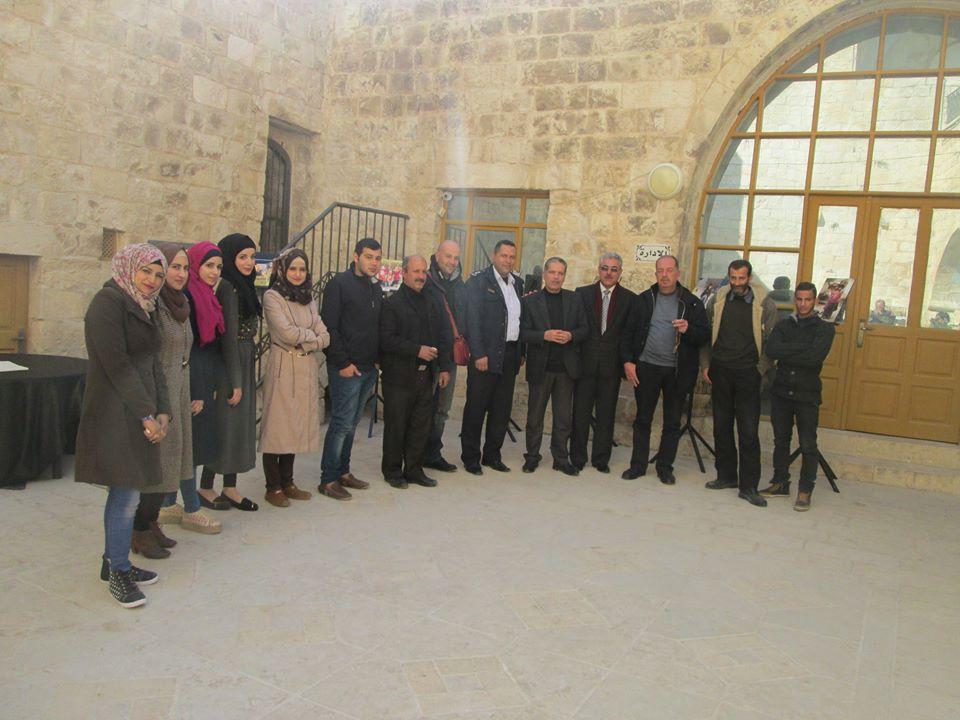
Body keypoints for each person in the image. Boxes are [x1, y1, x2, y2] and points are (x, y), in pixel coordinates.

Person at [75, 243, 167, 607]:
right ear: (129, 267)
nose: (152, 280)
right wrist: (146, 414)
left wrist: (163, 411)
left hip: (139, 409)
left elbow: (155, 363)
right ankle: (118, 571)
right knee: (126, 495)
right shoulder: (107, 303)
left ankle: (113, 562)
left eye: (158, 275)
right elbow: (117, 366)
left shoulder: (146, 306)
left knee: (128, 491)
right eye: (146, 271)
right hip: (116, 411)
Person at [620, 255, 709, 484]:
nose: (665, 275)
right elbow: (628, 333)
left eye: (669, 270)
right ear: (656, 274)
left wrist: (689, 329)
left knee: (672, 422)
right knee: (642, 419)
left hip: (677, 371)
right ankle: (638, 465)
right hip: (647, 367)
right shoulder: (644, 299)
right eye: (660, 270)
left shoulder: (691, 303)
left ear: (678, 273)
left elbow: (703, 336)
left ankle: (665, 467)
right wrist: (628, 362)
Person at [155, 243, 222, 535]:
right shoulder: (155, 305)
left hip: (182, 384)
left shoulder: (181, 301)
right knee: (172, 451)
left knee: (182, 449)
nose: (181, 273)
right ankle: (185, 508)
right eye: (174, 267)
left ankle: (173, 505)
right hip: (162, 388)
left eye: (184, 267)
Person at [701, 259, 779, 507]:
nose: (737, 283)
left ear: (749, 278)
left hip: (748, 374)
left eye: (741, 278)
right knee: (721, 428)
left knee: (748, 432)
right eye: (733, 278)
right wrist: (706, 364)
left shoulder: (765, 304)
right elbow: (706, 335)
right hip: (721, 372)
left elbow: (773, 344)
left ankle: (749, 486)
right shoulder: (718, 299)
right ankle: (726, 476)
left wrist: (759, 371)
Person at [259, 248, 330, 507]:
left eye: (302, 269)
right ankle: (273, 486)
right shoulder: (273, 296)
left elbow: (326, 335)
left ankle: (288, 482)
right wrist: (312, 338)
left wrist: (307, 340)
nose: (298, 274)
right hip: (283, 366)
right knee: (277, 426)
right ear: (283, 270)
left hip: (304, 366)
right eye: (293, 269)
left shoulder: (308, 299)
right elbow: (286, 334)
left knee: (295, 425)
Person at [198, 233, 262, 512]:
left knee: (236, 427)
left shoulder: (243, 285)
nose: (248, 262)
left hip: (242, 360)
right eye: (242, 257)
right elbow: (228, 337)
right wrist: (235, 381)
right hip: (230, 364)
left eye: (252, 256)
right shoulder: (229, 287)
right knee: (225, 426)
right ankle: (206, 486)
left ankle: (230, 486)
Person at [760, 282, 836, 511]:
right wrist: (802, 347)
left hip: (807, 393)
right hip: (782, 390)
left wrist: (789, 350)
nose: (803, 304)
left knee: (807, 443)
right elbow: (772, 350)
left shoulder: (824, 328)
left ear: (815, 301)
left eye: (807, 300)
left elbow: (814, 359)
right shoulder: (784, 324)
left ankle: (805, 489)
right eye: (800, 299)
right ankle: (780, 482)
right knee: (781, 440)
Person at [379, 255, 453, 488]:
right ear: (404, 273)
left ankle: (414, 470)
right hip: (399, 377)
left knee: (420, 426)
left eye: (423, 272)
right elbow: (386, 340)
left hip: (426, 375)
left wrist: (444, 367)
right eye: (416, 272)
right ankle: (392, 471)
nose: (421, 276)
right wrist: (417, 350)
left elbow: (444, 335)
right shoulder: (392, 304)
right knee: (396, 426)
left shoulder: (433, 301)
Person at [319, 237, 383, 500]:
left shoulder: (375, 287)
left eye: (377, 258)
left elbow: (376, 326)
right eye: (368, 257)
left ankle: (343, 472)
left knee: (353, 423)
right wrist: (343, 363)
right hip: (346, 368)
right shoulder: (339, 284)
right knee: (341, 423)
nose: (374, 263)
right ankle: (328, 479)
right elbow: (329, 327)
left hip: (368, 368)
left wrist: (377, 360)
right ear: (356, 257)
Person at [460, 240, 524, 474]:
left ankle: (492, 456)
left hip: (509, 355)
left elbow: (519, 320)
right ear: (494, 256)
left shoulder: (517, 283)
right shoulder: (478, 281)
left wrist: (520, 353)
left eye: (512, 257)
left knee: (501, 409)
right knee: (476, 408)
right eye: (504, 255)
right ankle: (471, 458)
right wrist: (478, 353)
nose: (508, 260)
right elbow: (472, 319)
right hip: (485, 355)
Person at [520, 257, 588, 475]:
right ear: (544, 274)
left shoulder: (574, 299)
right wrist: (544, 335)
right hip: (541, 369)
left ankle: (560, 459)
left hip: (566, 370)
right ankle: (532, 456)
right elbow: (522, 333)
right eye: (552, 272)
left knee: (563, 419)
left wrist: (571, 335)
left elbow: (585, 329)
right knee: (534, 418)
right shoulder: (530, 301)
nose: (556, 277)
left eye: (560, 273)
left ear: (564, 276)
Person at [570, 252, 636, 473]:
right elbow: (576, 327)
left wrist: (627, 361)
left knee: (606, 416)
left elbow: (628, 334)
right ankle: (577, 457)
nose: (609, 273)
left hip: (611, 367)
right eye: (605, 268)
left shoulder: (629, 299)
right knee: (580, 414)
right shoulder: (582, 294)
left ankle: (600, 459)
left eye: (614, 269)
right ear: (598, 270)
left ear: (620, 272)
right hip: (585, 365)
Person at [183, 241, 230, 512]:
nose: (214, 272)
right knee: (188, 448)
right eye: (209, 265)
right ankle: (187, 506)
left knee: (194, 446)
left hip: (205, 376)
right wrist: (198, 391)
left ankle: (182, 505)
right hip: (192, 379)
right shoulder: (188, 296)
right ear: (195, 265)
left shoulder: (207, 295)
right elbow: (191, 348)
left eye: (219, 267)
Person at [423, 240, 464, 473]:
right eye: (448, 256)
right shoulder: (426, 280)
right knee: (422, 407)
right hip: (427, 356)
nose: (452, 261)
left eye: (456, 257)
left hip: (448, 357)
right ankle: (415, 453)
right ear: (437, 255)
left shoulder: (459, 284)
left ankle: (432, 453)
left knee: (442, 409)